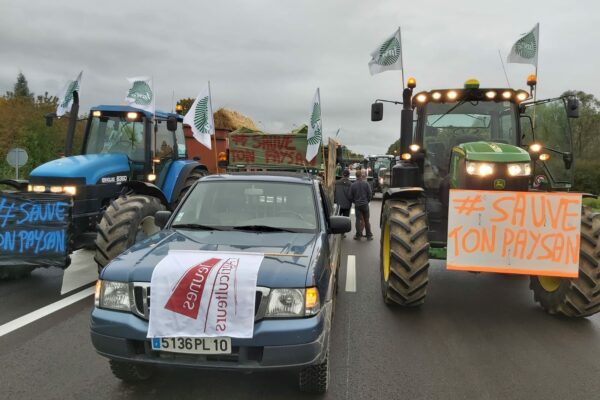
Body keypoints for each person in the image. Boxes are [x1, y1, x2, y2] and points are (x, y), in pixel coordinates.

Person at [350, 169, 373, 240]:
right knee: (366, 220)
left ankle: (358, 235)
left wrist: (355, 202)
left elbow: (350, 196)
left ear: (356, 176)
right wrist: (367, 201)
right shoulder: (366, 184)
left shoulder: (353, 185)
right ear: (361, 175)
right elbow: (370, 194)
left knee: (357, 220)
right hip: (365, 204)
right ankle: (368, 236)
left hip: (357, 205)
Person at [334, 169, 353, 237]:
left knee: (337, 218)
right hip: (347, 205)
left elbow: (334, 192)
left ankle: (337, 231)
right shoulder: (350, 184)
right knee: (345, 219)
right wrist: (351, 201)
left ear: (342, 174)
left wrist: (335, 200)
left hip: (338, 204)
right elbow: (351, 196)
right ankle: (342, 233)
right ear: (348, 175)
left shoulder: (336, 183)